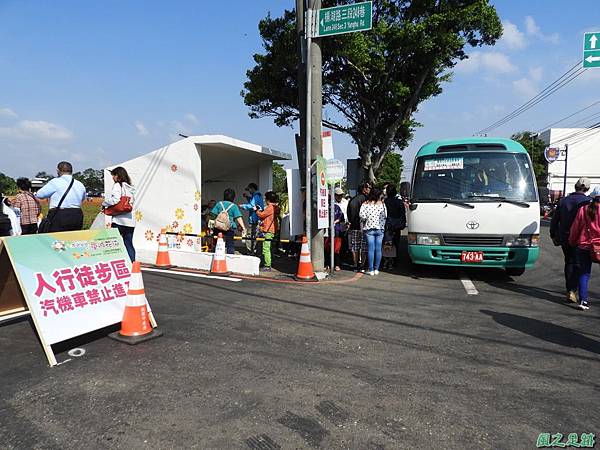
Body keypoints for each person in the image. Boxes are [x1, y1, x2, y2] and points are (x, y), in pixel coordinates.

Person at [550, 177, 591, 303]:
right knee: (580, 264)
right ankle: (575, 289)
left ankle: (570, 289)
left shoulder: (564, 201)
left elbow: (555, 220)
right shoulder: (588, 202)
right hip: (582, 238)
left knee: (569, 261)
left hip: (565, 237)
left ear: (575, 186)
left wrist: (553, 235)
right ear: (587, 188)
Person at [568, 186, 600, 310]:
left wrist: (572, 241)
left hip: (584, 245)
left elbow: (575, 228)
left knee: (584, 273)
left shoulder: (583, 209)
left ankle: (583, 301)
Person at [36, 161, 86, 232]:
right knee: (73, 238)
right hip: (77, 215)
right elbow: (83, 199)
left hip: (60, 215)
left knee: (56, 239)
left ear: (58, 171)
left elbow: (40, 194)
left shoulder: (55, 182)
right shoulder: (80, 184)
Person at [103, 167, 136, 262]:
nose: (113, 178)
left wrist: (104, 203)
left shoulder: (118, 185)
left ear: (117, 176)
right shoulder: (130, 187)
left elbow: (115, 199)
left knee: (113, 244)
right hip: (130, 220)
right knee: (128, 243)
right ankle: (132, 264)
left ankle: (114, 263)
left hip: (119, 220)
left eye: (113, 175)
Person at [359, 187, 387, 276]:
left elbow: (362, 216)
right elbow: (386, 215)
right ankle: (376, 269)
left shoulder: (365, 204)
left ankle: (370, 270)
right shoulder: (382, 204)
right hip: (380, 229)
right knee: (378, 249)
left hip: (369, 229)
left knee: (371, 249)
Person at [211, 189, 246, 254]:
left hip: (218, 227)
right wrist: (243, 227)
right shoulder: (234, 206)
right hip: (229, 228)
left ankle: (215, 256)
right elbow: (238, 217)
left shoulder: (219, 204)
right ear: (233, 197)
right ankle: (230, 258)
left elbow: (213, 215)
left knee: (217, 243)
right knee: (230, 244)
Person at [347, 182, 371, 272]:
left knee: (355, 247)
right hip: (364, 227)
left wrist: (352, 222)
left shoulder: (352, 200)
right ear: (363, 188)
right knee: (364, 247)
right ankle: (363, 265)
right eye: (368, 187)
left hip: (354, 226)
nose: (369, 189)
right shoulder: (367, 200)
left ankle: (355, 265)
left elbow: (349, 215)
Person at [255, 191, 280, 271]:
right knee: (270, 247)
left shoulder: (270, 207)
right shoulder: (276, 207)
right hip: (273, 229)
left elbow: (261, 215)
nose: (264, 200)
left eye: (265, 198)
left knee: (266, 248)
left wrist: (257, 210)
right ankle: (270, 262)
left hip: (268, 230)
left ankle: (267, 265)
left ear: (268, 200)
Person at [384, 184, 406, 267]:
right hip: (397, 226)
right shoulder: (399, 202)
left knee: (387, 243)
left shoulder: (385, 202)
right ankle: (394, 261)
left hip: (387, 225)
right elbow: (402, 214)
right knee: (396, 243)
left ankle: (386, 261)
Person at [239, 183, 264, 255]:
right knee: (256, 236)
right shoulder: (258, 195)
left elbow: (252, 205)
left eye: (249, 189)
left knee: (249, 235)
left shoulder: (256, 196)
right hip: (257, 219)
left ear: (252, 188)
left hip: (254, 219)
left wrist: (242, 206)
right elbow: (254, 203)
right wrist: (247, 197)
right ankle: (255, 251)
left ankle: (250, 251)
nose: (249, 191)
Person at [325, 200, 345, 272]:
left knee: (336, 248)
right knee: (327, 248)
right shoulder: (324, 208)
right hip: (326, 230)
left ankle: (337, 264)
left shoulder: (337, 207)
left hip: (336, 230)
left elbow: (341, 217)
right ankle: (327, 264)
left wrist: (336, 221)